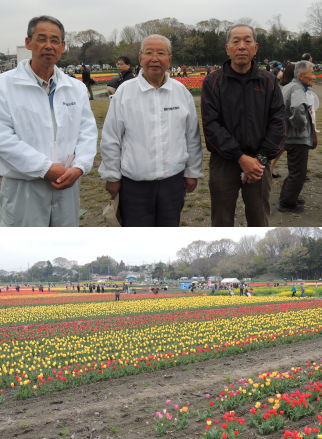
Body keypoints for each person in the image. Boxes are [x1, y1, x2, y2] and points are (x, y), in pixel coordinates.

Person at [0, 15, 97, 227]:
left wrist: (80, 167)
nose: (48, 46)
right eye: (41, 39)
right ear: (28, 43)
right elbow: (3, 138)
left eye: (55, 41)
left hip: (68, 183)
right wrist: (45, 167)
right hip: (24, 185)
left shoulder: (75, 87)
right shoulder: (5, 86)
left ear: (62, 47)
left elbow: (87, 132)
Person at [99, 34, 202, 227]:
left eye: (161, 53)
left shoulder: (181, 92)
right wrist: (112, 176)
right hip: (134, 184)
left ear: (169, 60)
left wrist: (192, 171)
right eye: (149, 53)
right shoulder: (125, 92)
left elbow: (192, 137)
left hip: (173, 182)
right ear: (140, 58)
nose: (154, 58)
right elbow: (111, 137)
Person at [201, 24, 286, 226]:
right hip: (224, 161)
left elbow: (279, 122)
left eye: (247, 41)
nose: (241, 46)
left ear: (255, 48)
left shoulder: (269, 81)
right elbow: (211, 126)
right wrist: (240, 157)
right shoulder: (213, 82)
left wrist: (261, 159)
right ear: (227, 48)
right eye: (236, 41)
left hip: (259, 161)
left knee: (259, 219)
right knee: (221, 220)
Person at [278, 60, 317, 213]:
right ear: (301, 76)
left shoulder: (289, 86)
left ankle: (288, 198)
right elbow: (296, 108)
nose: (314, 77)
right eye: (311, 73)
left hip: (289, 136)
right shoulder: (297, 89)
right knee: (298, 173)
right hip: (297, 138)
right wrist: (303, 127)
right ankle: (287, 203)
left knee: (295, 171)